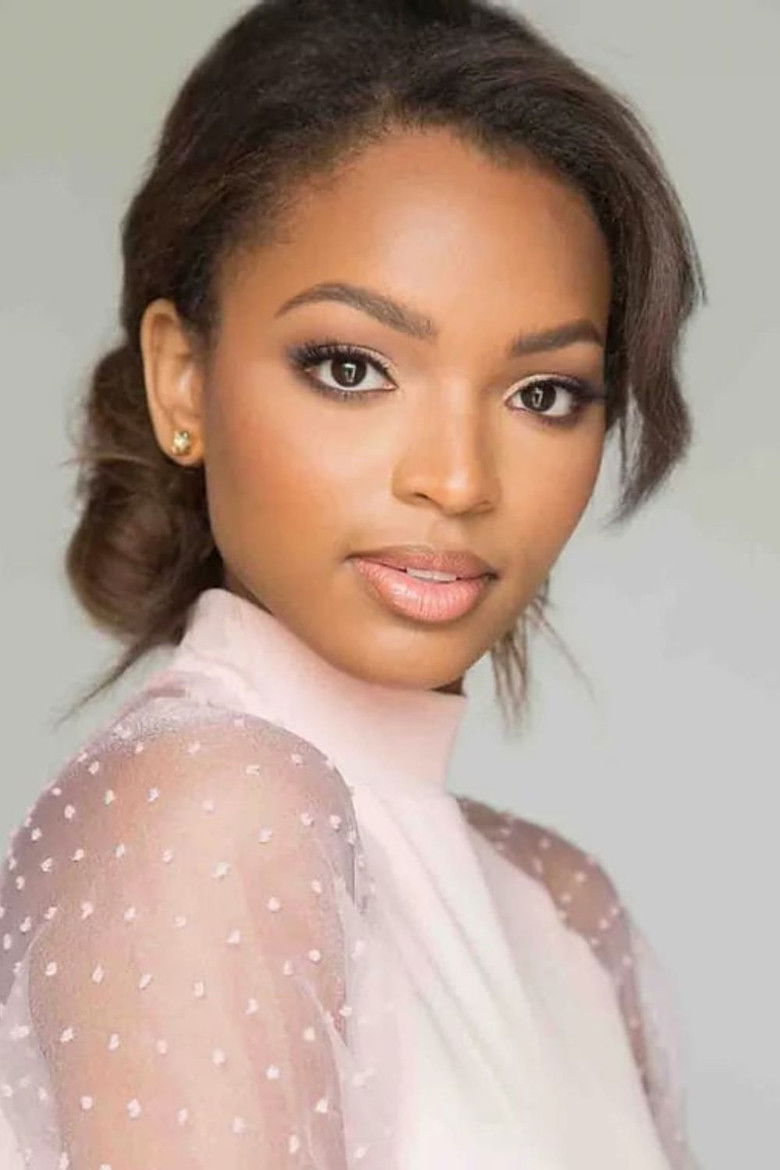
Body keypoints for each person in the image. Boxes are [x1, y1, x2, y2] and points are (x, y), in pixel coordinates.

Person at [0, 0, 707, 1167]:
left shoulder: (565, 908)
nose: (457, 479)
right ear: (181, 380)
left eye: (543, 394)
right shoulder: (209, 811)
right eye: (350, 367)